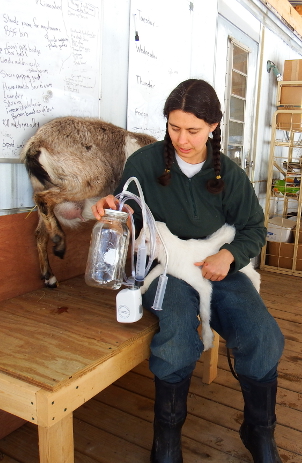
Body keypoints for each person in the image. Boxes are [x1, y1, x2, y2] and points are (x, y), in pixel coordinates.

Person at [92, 79, 284, 463]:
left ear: (213, 127)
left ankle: (260, 432)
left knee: (261, 334)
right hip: (164, 267)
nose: (182, 139)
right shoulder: (143, 164)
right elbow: (131, 213)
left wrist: (229, 257)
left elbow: (253, 230)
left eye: (193, 130)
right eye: (174, 127)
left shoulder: (228, 173)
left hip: (216, 265)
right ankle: (166, 441)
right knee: (177, 335)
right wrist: (114, 209)